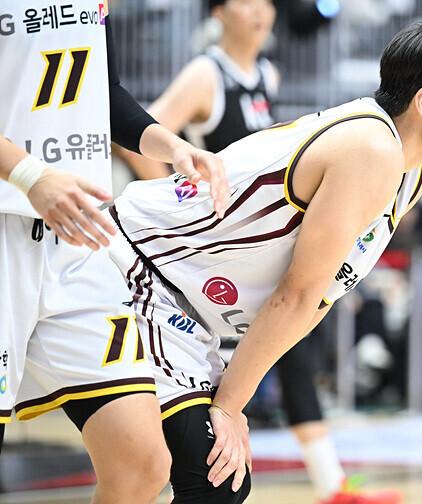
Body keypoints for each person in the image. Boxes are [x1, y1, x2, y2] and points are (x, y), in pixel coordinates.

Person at [105, 21, 422, 503]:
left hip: (187, 302)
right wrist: (229, 406)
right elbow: (297, 293)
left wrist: (231, 398)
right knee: (208, 475)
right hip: (137, 262)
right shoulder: (371, 148)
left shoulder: (413, 170)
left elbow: (319, 297)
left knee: (205, 478)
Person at [116, 0, 400, 501]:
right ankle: (327, 483)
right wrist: (175, 198)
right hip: (195, 253)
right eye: (245, 1)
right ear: (218, 12)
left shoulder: (267, 73)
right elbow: (136, 137)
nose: (260, 11)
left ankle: (330, 483)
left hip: (248, 247)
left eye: (266, 2)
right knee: (229, 406)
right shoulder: (206, 73)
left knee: (290, 345)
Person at [0, 2, 229, 503]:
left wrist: (172, 146)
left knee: (142, 464)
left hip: (79, 239)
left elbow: (105, 92)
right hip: (6, 225)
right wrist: (29, 175)